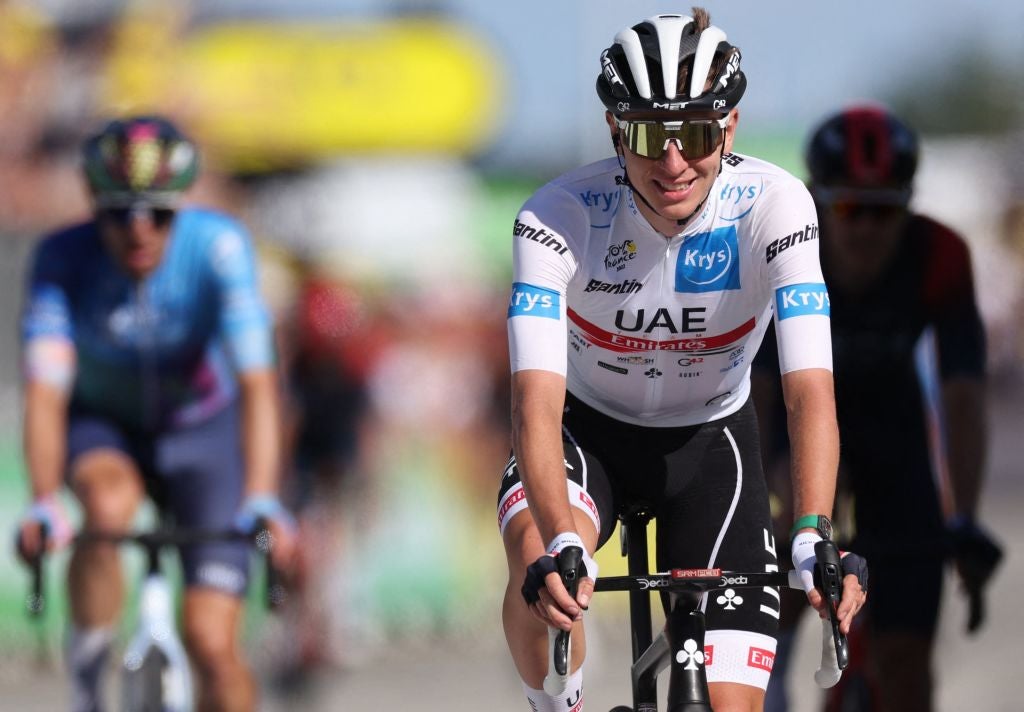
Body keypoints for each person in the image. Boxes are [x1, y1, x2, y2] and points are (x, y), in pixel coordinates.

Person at [498, 10, 867, 711]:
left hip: (712, 443)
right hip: (585, 434)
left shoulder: (777, 208)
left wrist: (813, 529)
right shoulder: (555, 217)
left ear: (729, 128)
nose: (672, 164)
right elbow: (534, 405)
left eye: (695, 135)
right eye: (648, 136)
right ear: (616, 131)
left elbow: (809, 393)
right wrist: (560, 539)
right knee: (539, 562)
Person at [13, 115, 296, 712]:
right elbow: (44, 393)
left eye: (158, 214)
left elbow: (258, 383)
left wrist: (263, 495)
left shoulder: (219, 246)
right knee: (106, 505)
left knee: (213, 644)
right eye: (119, 214)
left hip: (203, 428)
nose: (138, 230)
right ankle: (88, 684)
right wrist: (43, 500)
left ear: (180, 208)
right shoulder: (61, 258)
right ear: (94, 208)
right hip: (105, 425)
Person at [756, 105, 1003, 712]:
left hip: (895, 435)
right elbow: (758, 392)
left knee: (906, 667)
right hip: (796, 420)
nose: (866, 228)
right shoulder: (784, 247)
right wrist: (769, 497)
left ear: (909, 207)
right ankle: (773, 676)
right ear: (817, 203)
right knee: (795, 526)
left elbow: (964, 395)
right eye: (849, 208)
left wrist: (965, 518)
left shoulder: (940, 253)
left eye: (884, 210)